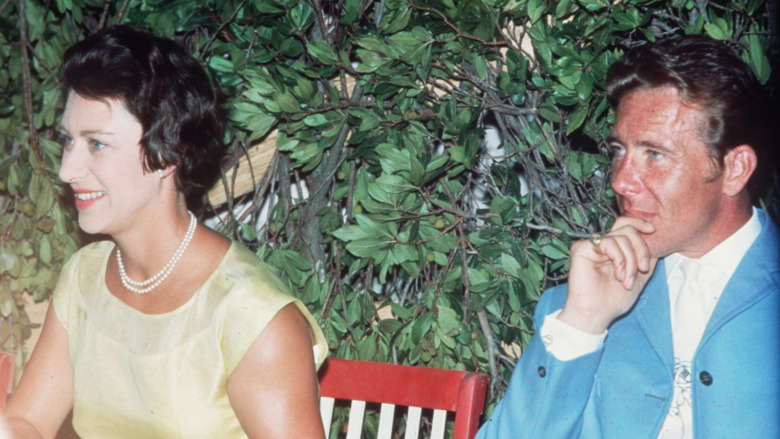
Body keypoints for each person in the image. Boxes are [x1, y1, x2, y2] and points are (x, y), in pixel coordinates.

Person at [4, 25, 328, 439]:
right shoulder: (83, 277)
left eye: (97, 144)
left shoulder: (252, 315)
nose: (67, 170)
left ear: (167, 154)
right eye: (68, 141)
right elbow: (26, 420)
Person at [477, 35, 779, 438]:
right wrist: (582, 323)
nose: (620, 181)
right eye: (619, 150)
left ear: (735, 169)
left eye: (654, 155)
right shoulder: (588, 297)